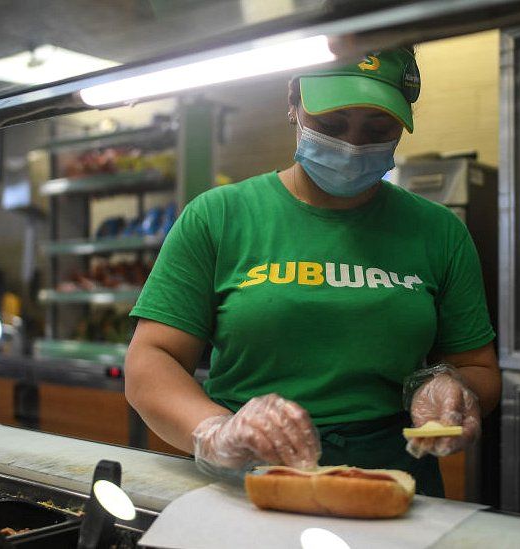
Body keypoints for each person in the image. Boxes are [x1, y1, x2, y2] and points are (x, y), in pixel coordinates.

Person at [125, 47, 499, 497]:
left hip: (391, 484)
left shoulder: (439, 231)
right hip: (248, 480)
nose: (353, 144)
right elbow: (152, 360)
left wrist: (455, 391)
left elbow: (478, 367)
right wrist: (216, 431)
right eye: (332, 125)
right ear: (293, 103)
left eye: (377, 129)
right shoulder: (219, 216)